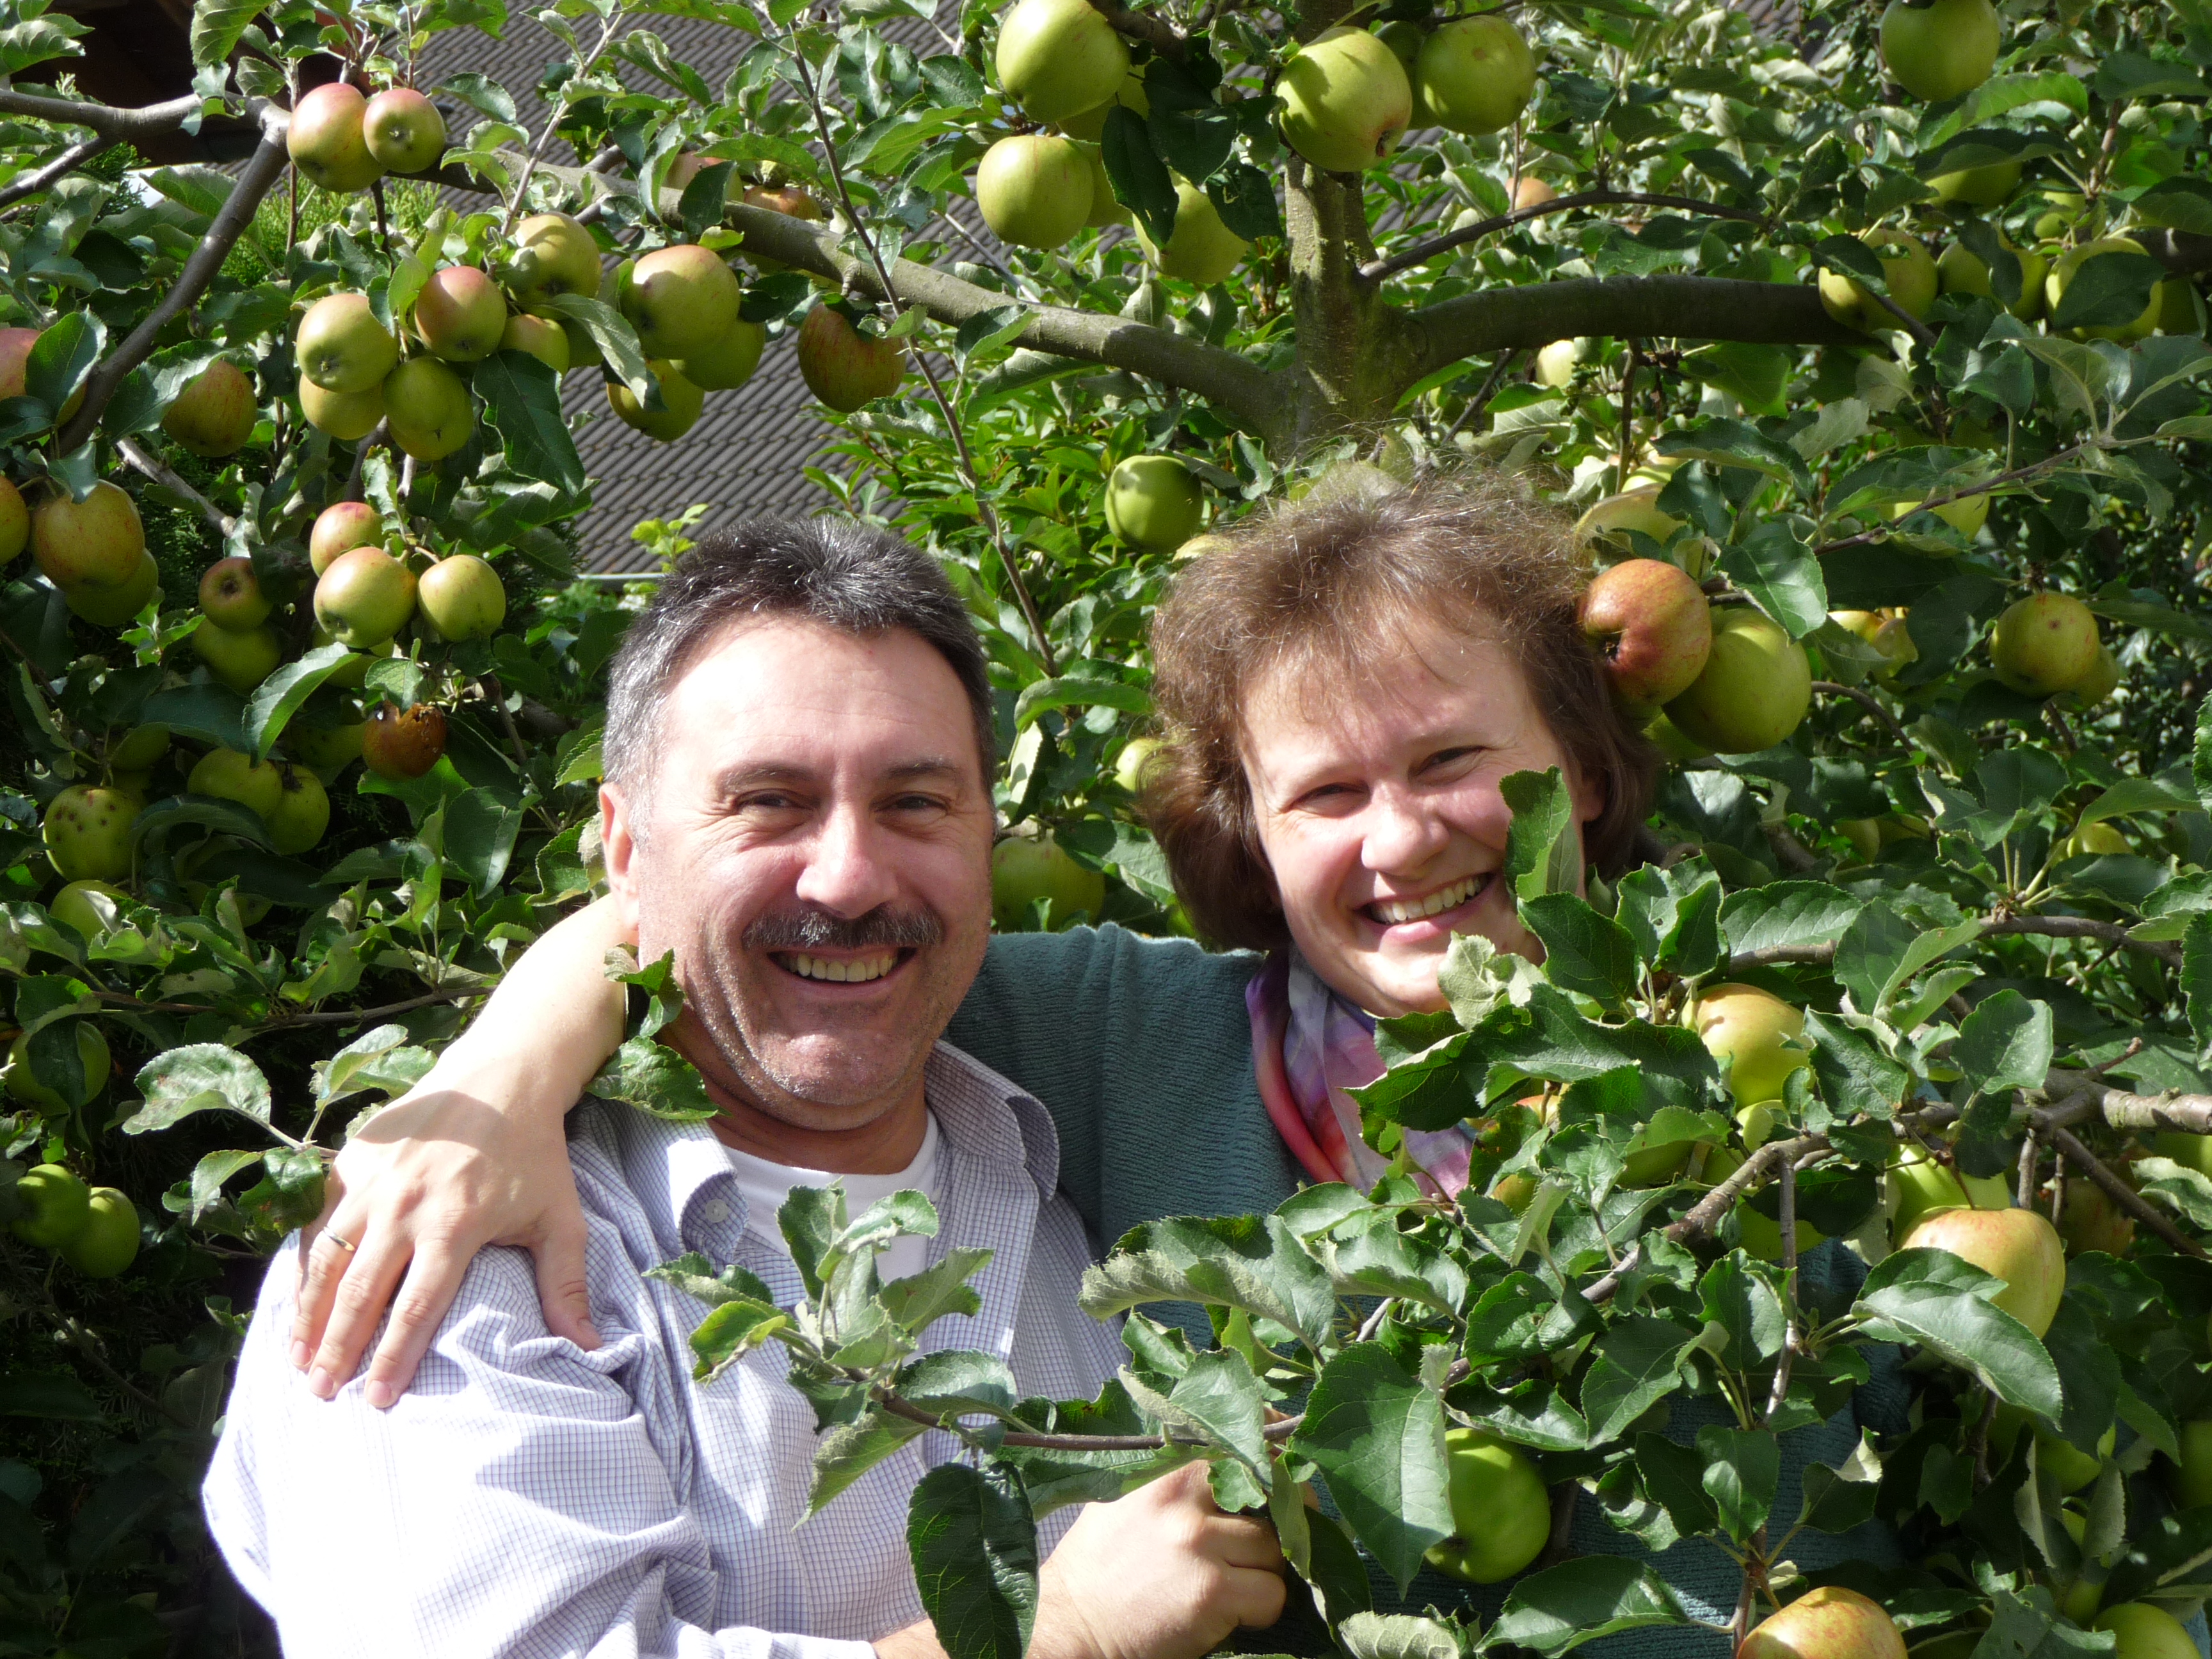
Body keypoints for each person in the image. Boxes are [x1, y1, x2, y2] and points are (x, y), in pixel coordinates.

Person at [286, 476, 1899, 1645]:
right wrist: (492, 1079)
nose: (1404, 837)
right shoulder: (1141, 1036)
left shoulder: (1771, 1101)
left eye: (1459, 763)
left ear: (1586, 772)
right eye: (1324, 794)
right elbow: (765, 944)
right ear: (1251, 841)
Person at [204, 518, 1290, 1658]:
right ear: (622, 852)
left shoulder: (1068, 1135)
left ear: (988, 836)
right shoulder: (447, 1255)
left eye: (917, 803)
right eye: (768, 800)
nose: (852, 877)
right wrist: (1058, 1633)